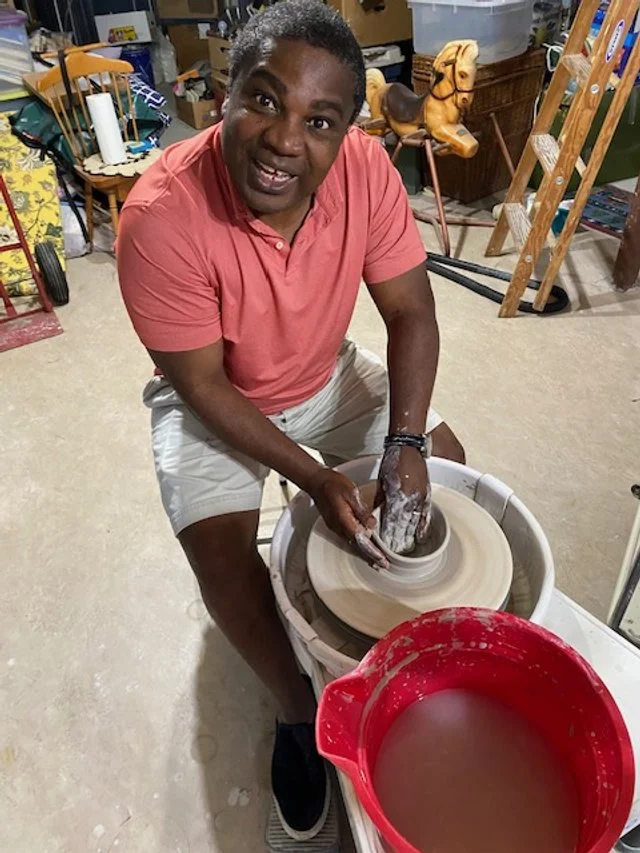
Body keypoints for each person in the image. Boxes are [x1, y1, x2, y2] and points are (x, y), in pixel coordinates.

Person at [117, 0, 464, 842]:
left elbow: (412, 314)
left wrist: (407, 444)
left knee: (446, 468)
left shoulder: (370, 175)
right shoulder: (159, 217)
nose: (283, 140)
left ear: (346, 132)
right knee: (221, 556)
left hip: (321, 371)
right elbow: (202, 384)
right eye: (264, 100)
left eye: (319, 120)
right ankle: (297, 709)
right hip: (212, 398)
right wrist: (314, 476)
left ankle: (387, 652)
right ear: (222, 96)